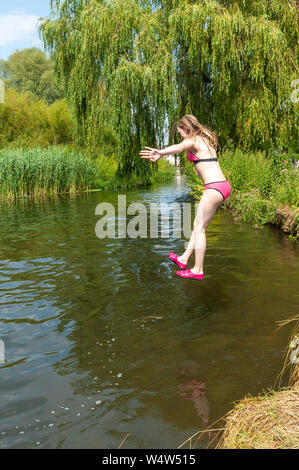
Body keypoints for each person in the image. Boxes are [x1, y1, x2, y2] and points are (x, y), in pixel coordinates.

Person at [139, 114, 231, 281]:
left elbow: (179, 147)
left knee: (199, 228)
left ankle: (198, 269)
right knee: (199, 225)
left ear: (187, 129)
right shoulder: (204, 139)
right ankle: (184, 259)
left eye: (181, 132)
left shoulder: (193, 140)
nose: (181, 136)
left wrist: (161, 152)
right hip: (221, 186)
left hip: (214, 187)